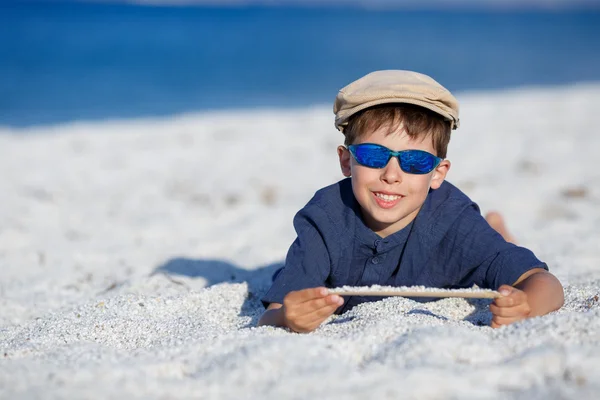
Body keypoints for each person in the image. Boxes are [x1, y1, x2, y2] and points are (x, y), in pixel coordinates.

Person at [258, 70, 564, 333]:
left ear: (437, 173)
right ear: (347, 162)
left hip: (466, 237)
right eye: (373, 156)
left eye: (415, 161)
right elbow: (273, 314)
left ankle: (496, 229)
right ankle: (496, 228)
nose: (391, 175)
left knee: (496, 247)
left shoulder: (455, 222)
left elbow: (543, 282)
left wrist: (525, 306)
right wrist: (288, 317)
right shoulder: (323, 219)